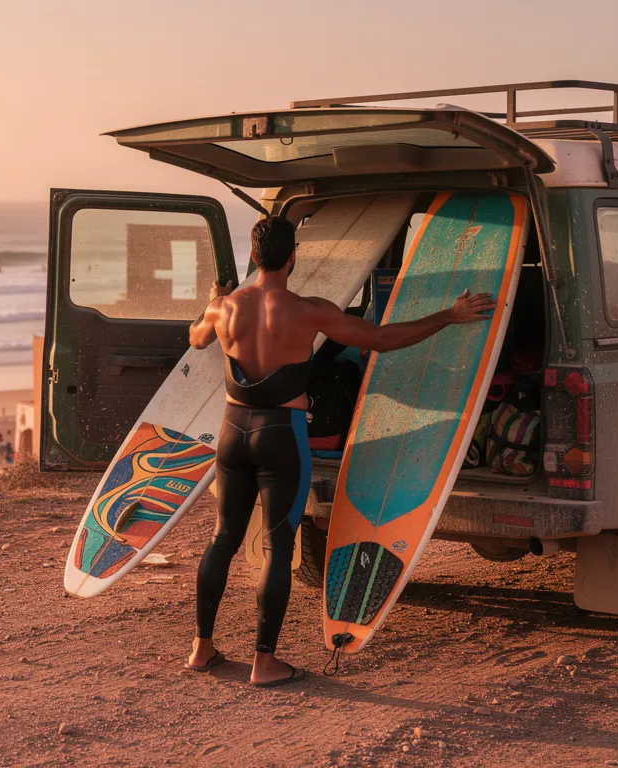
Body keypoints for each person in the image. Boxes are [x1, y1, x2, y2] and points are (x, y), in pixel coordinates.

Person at [184, 215, 495, 686]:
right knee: (278, 546)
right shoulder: (308, 311)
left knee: (223, 538)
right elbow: (381, 340)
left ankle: (201, 648)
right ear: (293, 258)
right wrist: (448, 316)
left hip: (231, 430)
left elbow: (195, 337)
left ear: (252, 257)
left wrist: (211, 301)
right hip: (281, 435)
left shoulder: (222, 309)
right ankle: (264, 662)